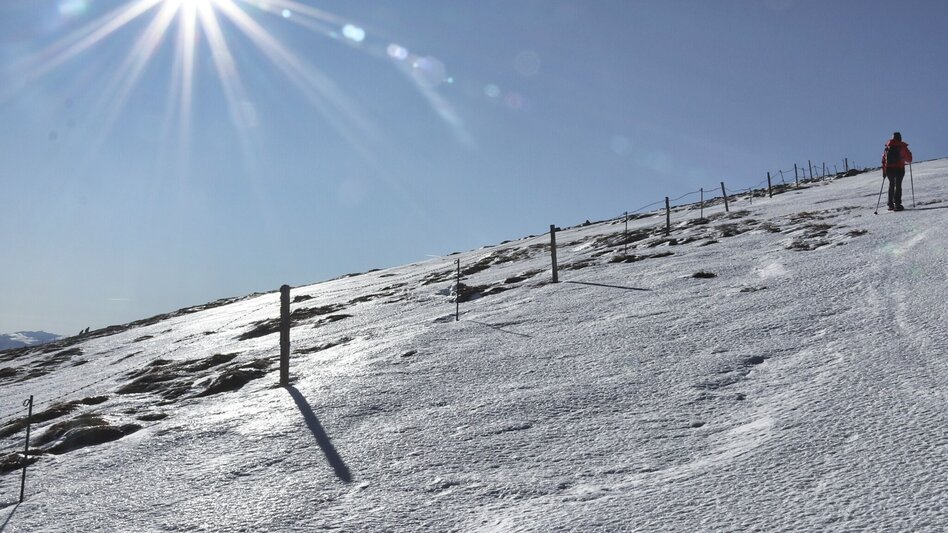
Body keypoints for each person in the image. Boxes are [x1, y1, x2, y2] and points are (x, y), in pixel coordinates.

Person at [882, 132, 913, 211]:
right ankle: (897, 204)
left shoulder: (888, 147)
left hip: (889, 169)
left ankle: (890, 204)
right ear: (900, 138)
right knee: (898, 185)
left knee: (891, 184)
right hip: (899, 168)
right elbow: (909, 159)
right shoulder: (902, 146)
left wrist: (884, 172)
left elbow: (883, 160)